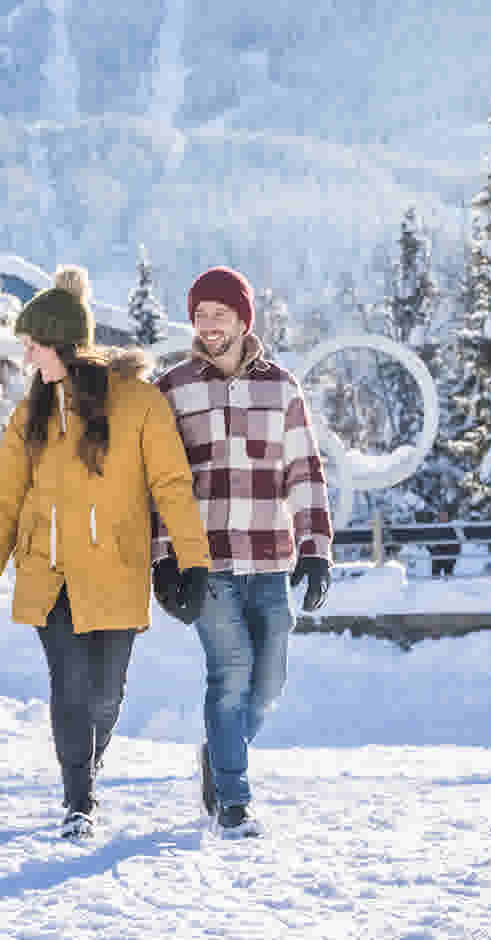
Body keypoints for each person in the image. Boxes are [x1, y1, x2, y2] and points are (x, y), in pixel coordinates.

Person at [0, 265, 212, 840]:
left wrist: (193, 562)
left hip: (117, 570)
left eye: (34, 345)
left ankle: (84, 773)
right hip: (49, 572)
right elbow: (5, 508)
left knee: (106, 695)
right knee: (68, 685)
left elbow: (172, 486)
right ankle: (78, 800)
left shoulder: (140, 404)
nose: (26, 358)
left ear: (63, 344)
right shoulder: (29, 417)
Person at [150, 265, 333, 839]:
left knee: (270, 680)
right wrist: (164, 557)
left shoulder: (281, 387)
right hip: (205, 563)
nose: (208, 326)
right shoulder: (174, 387)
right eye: (200, 315)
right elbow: (157, 480)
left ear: (242, 319)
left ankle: (220, 751)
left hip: (269, 558)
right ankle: (234, 800)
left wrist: (316, 549)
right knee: (230, 674)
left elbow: (304, 469)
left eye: (219, 315)